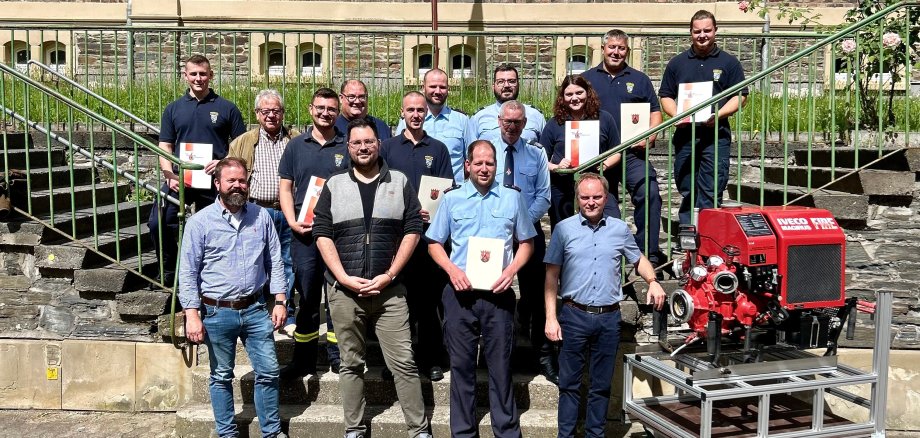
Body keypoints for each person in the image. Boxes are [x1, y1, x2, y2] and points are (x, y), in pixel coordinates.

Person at [313, 118, 432, 438]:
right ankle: (354, 428)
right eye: (356, 143)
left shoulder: (400, 182)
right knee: (351, 364)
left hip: (390, 291)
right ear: (348, 147)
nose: (363, 148)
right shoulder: (334, 185)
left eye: (369, 142)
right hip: (344, 291)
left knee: (404, 363)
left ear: (379, 143)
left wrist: (390, 274)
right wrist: (342, 277)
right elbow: (321, 233)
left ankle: (419, 429)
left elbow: (413, 230)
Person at [427, 139, 536, 438]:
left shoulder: (513, 199)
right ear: (467, 165)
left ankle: (507, 431)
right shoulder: (451, 199)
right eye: (479, 162)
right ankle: (463, 433)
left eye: (490, 163)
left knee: (500, 368)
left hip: (499, 296)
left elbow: (527, 242)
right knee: (461, 368)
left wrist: (511, 271)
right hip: (460, 295)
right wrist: (452, 269)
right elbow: (434, 243)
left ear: (496, 166)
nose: (484, 168)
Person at [544, 172, 666, 438]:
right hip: (573, 315)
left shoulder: (619, 229)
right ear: (577, 199)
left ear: (606, 198)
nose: (590, 202)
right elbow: (551, 275)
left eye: (596, 197)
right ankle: (565, 435)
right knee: (569, 385)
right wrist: (551, 318)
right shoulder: (564, 229)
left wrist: (653, 281)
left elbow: (639, 259)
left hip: (609, 318)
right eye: (585, 197)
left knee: (601, 387)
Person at [178, 157, 288, 438]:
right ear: (218, 184)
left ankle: (271, 433)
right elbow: (188, 271)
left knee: (269, 373)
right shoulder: (200, 222)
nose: (238, 185)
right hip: (217, 312)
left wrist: (279, 300)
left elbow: (275, 261)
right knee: (221, 376)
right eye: (232, 181)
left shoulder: (261, 216)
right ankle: (227, 434)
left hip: (255, 309)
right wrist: (192, 314)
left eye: (242, 180)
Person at [148, 54, 246, 287]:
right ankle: (170, 269)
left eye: (203, 74)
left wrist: (222, 162)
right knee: (159, 221)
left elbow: (240, 146)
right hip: (180, 178)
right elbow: (165, 145)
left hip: (214, 181)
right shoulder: (173, 109)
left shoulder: (227, 108)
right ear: (185, 76)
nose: (199, 78)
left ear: (211, 75)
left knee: (214, 227)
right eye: (193, 74)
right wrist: (168, 174)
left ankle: (209, 273)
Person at [380, 91, 453, 382]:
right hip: (395, 239)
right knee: (397, 305)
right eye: (410, 109)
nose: (415, 114)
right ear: (402, 112)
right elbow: (378, 185)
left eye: (420, 110)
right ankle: (397, 362)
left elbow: (447, 190)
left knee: (427, 302)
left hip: (427, 238)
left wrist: (432, 211)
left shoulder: (438, 149)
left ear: (426, 113)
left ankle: (431, 358)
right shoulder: (387, 147)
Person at [581, 29, 666, 267]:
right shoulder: (587, 79)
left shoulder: (640, 79)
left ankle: (646, 254)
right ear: (603, 48)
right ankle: (607, 255)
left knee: (649, 193)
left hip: (632, 154)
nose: (616, 52)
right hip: (600, 155)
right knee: (603, 205)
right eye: (612, 47)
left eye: (621, 48)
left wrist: (651, 135)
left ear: (627, 51)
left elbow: (655, 112)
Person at [278, 87, 347, 377]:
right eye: (320, 107)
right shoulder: (295, 146)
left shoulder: (347, 145)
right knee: (306, 298)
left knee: (337, 297)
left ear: (338, 111)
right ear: (310, 109)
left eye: (331, 109)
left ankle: (337, 356)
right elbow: (285, 188)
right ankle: (303, 359)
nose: (325, 113)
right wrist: (292, 221)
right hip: (304, 234)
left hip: (338, 235)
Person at [659, 10, 748, 227]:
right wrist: (676, 115)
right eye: (697, 31)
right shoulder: (677, 63)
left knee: (712, 186)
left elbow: (741, 97)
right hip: (685, 135)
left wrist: (719, 114)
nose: (702, 35)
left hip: (716, 135)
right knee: (686, 185)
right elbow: (666, 95)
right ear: (690, 33)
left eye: (707, 30)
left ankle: (708, 235)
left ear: (715, 31)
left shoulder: (729, 62)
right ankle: (689, 232)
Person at [491, 100, 554, 384]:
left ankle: (542, 356)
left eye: (517, 122)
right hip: (494, 233)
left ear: (525, 124)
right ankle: (494, 355)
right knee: (492, 293)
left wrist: (521, 222)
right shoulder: (488, 152)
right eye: (507, 121)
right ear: (499, 120)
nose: (512, 126)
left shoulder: (536, 154)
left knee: (536, 296)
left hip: (528, 232)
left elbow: (544, 195)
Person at [228, 89, 298, 322]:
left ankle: (285, 313)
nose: (271, 116)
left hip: (288, 211)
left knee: (288, 261)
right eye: (265, 111)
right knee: (257, 261)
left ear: (283, 113)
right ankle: (257, 312)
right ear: (257, 114)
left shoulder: (295, 140)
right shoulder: (242, 143)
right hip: (257, 211)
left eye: (275, 111)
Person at [539, 74, 621, 229]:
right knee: (564, 231)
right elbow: (541, 158)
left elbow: (617, 150)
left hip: (597, 184)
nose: (574, 98)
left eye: (579, 93)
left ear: (587, 93)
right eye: (569, 94)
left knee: (611, 225)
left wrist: (606, 164)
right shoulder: (554, 123)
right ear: (562, 97)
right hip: (563, 186)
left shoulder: (604, 118)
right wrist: (557, 166)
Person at [396, 68, 472, 183]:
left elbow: (472, 160)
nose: (438, 91)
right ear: (423, 88)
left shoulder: (462, 121)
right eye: (432, 86)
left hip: (453, 193)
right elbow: (398, 154)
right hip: (415, 191)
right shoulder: (408, 121)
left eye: (442, 87)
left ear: (448, 89)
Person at [469, 64, 545, 143]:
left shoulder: (536, 116)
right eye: (501, 82)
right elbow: (470, 150)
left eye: (511, 81)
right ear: (493, 86)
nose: (506, 85)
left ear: (518, 85)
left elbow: (544, 151)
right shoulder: (479, 117)